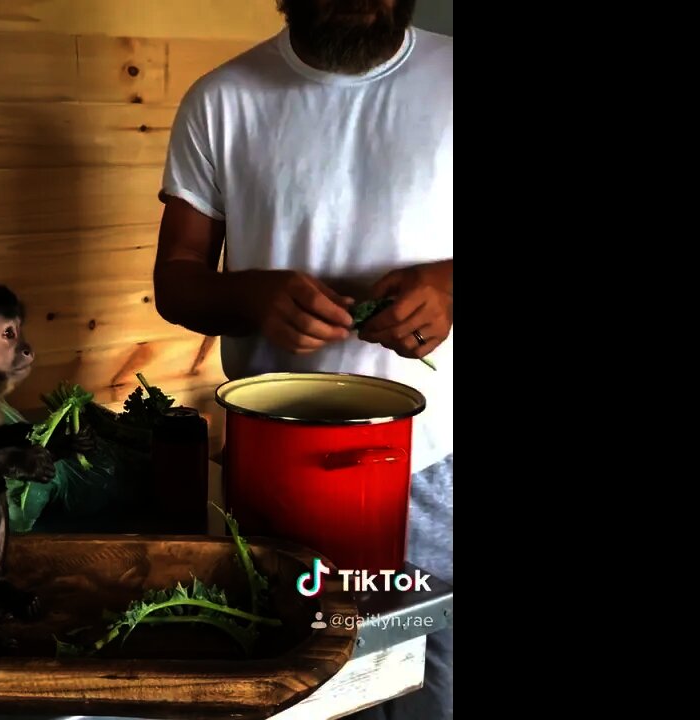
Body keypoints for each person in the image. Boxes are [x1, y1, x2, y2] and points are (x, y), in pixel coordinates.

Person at [151, 1, 452, 717]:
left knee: (427, 673)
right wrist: (250, 297)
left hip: (435, 461)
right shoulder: (222, 99)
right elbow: (177, 276)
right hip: (276, 473)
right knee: (299, 679)